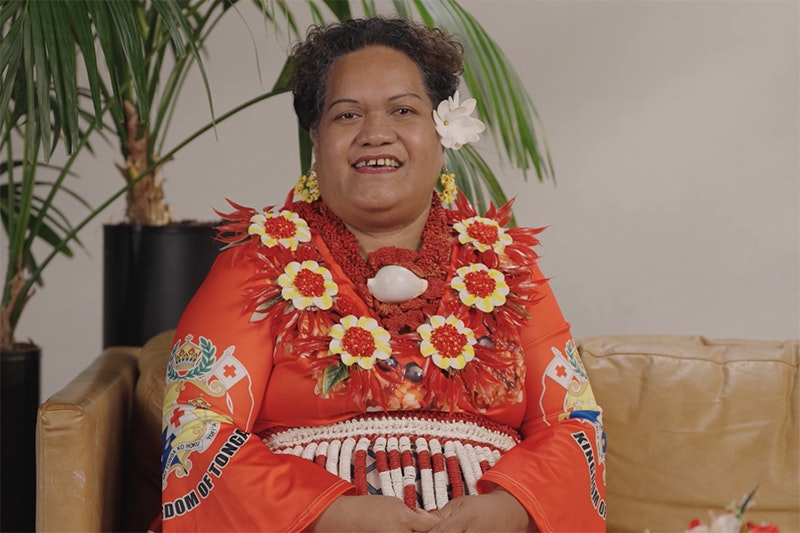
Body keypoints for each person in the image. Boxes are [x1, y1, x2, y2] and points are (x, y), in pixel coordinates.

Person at [160, 17, 606, 532]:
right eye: (347, 115)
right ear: (315, 138)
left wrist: (515, 507)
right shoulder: (256, 264)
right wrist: (328, 514)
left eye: (403, 110)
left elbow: (576, 423)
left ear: (441, 130)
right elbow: (196, 427)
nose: (376, 133)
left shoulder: (505, 267)